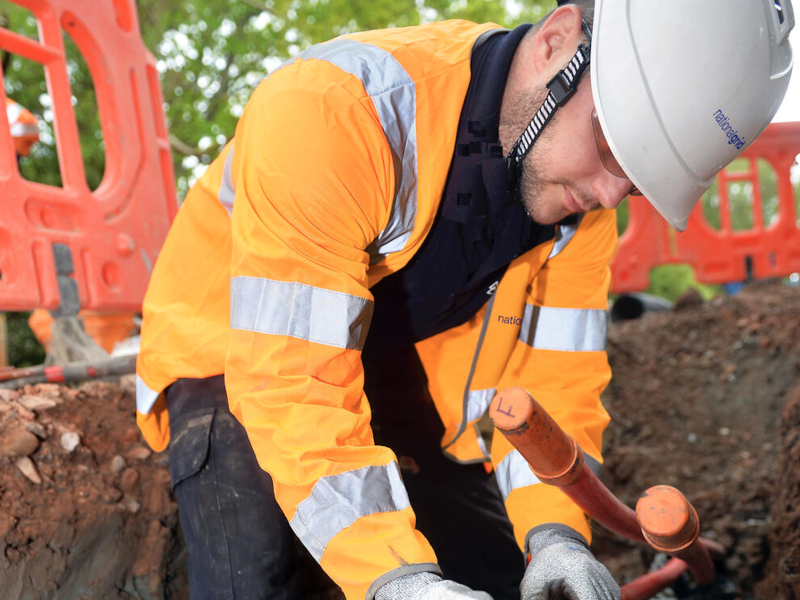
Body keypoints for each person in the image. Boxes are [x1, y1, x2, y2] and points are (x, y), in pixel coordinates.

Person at [134, 1, 794, 599]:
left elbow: (553, 388)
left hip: (380, 357)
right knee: (258, 576)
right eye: (610, 147)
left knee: (501, 577)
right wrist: (398, 578)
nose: (608, 194)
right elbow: (290, 383)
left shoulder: (583, 208)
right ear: (558, 41)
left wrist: (555, 539)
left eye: (639, 183)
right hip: (229, 350)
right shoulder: (337, 110)